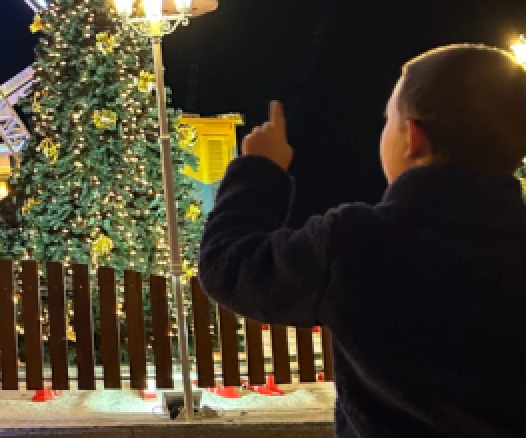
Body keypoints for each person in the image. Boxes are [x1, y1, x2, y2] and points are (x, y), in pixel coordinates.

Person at [199, 45, 526, 437]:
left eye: (389, 120)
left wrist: (258, 171)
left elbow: (228, 266)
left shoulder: (355, 242)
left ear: (414, 140)